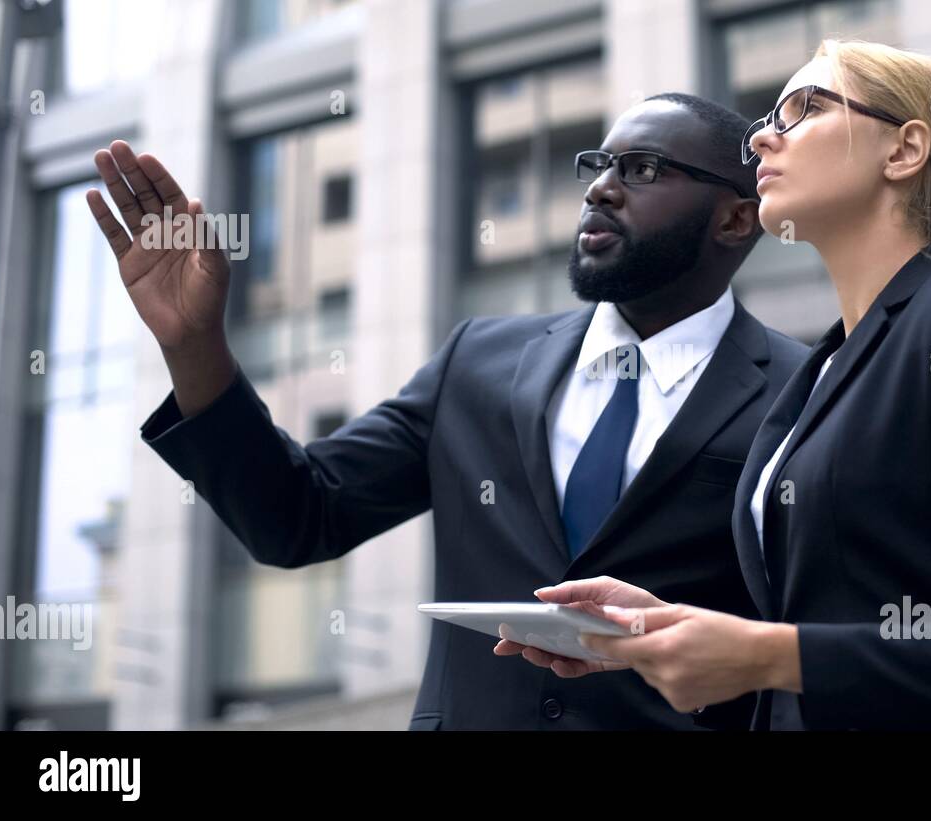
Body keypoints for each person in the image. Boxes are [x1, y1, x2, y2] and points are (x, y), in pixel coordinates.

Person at [84, 93, 808, 729]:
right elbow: (297, 515)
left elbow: (826, 635)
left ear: (736, 219)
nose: (602, 191)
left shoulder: (804, 390)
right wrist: (196, 345)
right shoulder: (478, 361)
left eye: (643, 169)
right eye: (598, 166)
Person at [516, 40, 931, 730]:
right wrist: (672, 634)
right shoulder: (812, 375)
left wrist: (772, 653)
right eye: (770, 114)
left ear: (903, 151)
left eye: (806, 108)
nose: (763, 136)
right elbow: (829, 629)